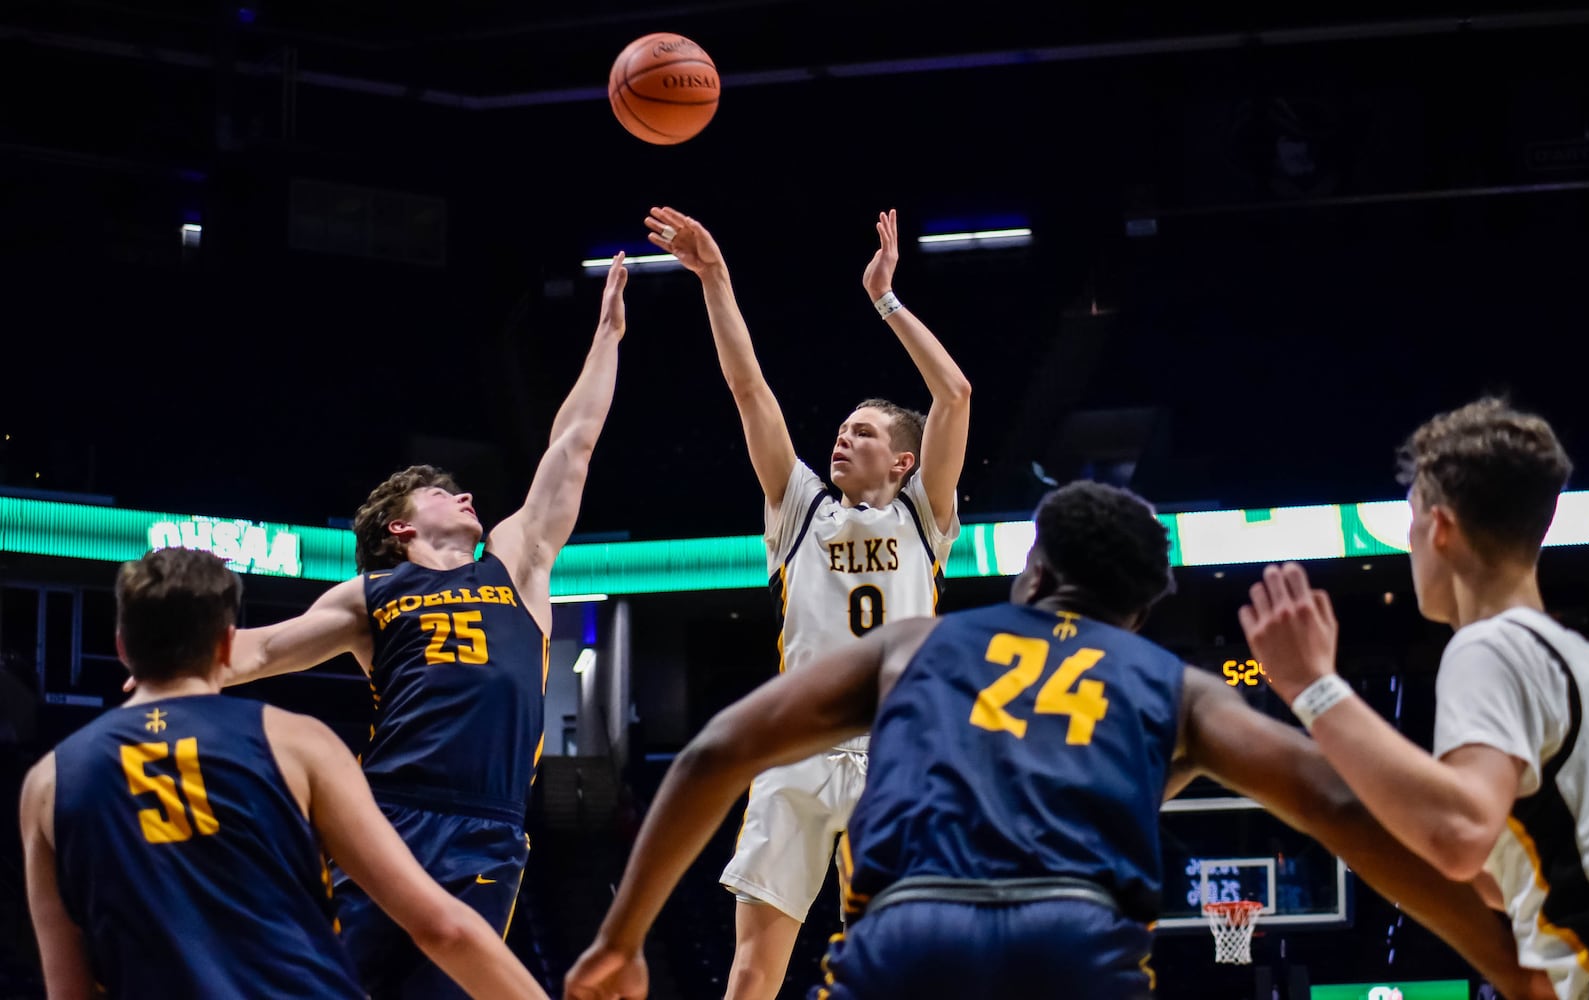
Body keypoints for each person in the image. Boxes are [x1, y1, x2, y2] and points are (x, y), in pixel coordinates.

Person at [564, 480, 1554, 1000]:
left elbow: (710, 756)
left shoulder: (914, 644)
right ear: (1145, 605)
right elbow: (1354, 819)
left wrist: (619, 939)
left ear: (1031, 567)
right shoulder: (1174, 684)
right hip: (1074, 942)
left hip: (908, 932)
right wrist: (1509, 964)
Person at [122, 254, 628, 996]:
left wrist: (607, 334)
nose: (461, 496)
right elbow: (260, 650)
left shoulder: (515, 562)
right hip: (385, 814)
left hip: (485, 826)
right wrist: (163, 672)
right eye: (440, 490)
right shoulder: (370, 594)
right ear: (399, 526)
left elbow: (573, 442)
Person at [643, 205, 971, 998]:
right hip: (793, 749)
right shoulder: (799, 508)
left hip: (896, 753)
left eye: (860, 433)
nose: (840, 438)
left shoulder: (923, 515)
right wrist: (714, 278)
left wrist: (886, 300)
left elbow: (954, 393)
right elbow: (747, 386)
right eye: (840, 429)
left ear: (901, 460)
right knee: (754, 970)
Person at [20, 547, 548, 999]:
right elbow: (442, 927)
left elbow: (68, 988)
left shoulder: (48, 781)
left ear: (121, 647)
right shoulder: (296, 743)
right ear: (227, 645)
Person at [1240, 397, 1589, 1000]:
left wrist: (1313, 688)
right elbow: (1493, 878)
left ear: (1440, 528)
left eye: (1410, 523)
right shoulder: (1576, 656)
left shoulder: (1489, 646)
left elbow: (1459, 833)